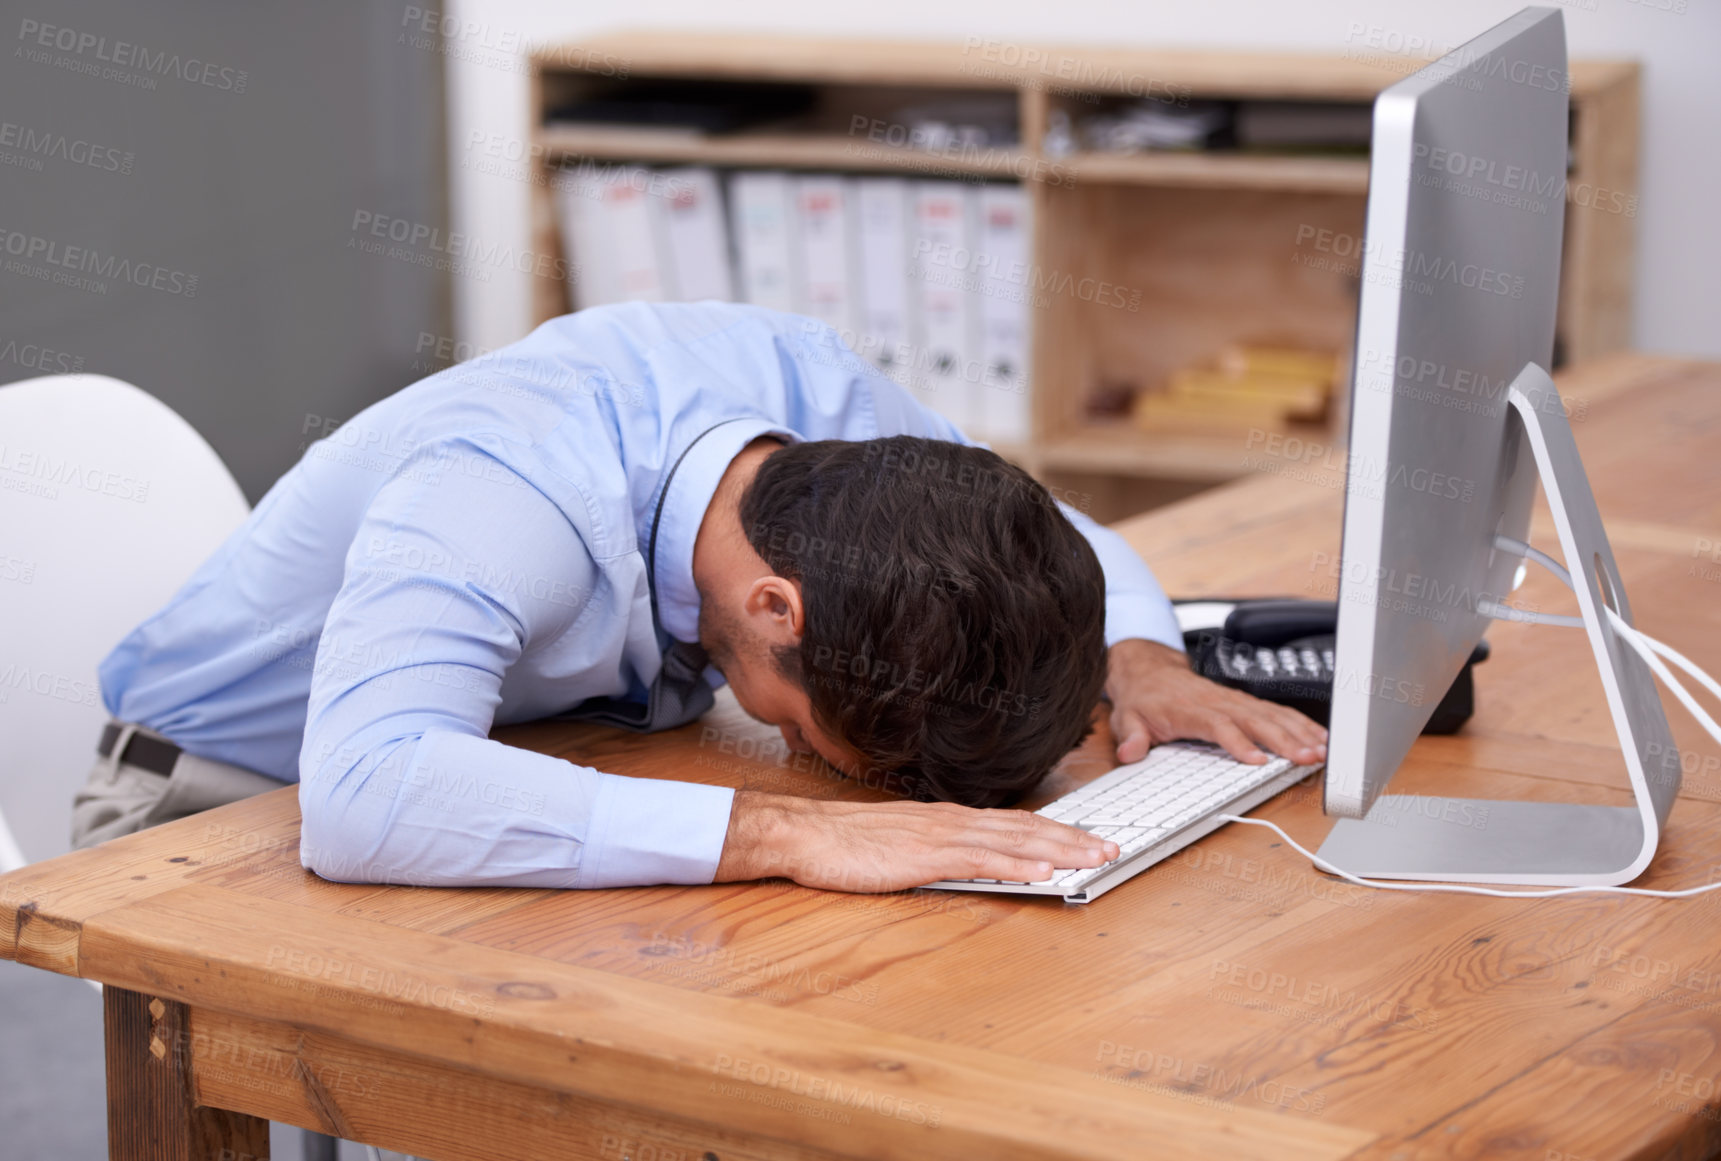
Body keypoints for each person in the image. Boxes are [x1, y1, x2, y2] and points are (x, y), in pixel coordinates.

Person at [73, 302, 1326, 893]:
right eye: (826, 743)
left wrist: (1142, 661)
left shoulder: (822, 421)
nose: (831, 771)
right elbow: (366, 799)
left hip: (520, 747)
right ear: (776, 611)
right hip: (211, 807)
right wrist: (797, 830)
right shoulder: (510, 489)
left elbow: (1053, 534)